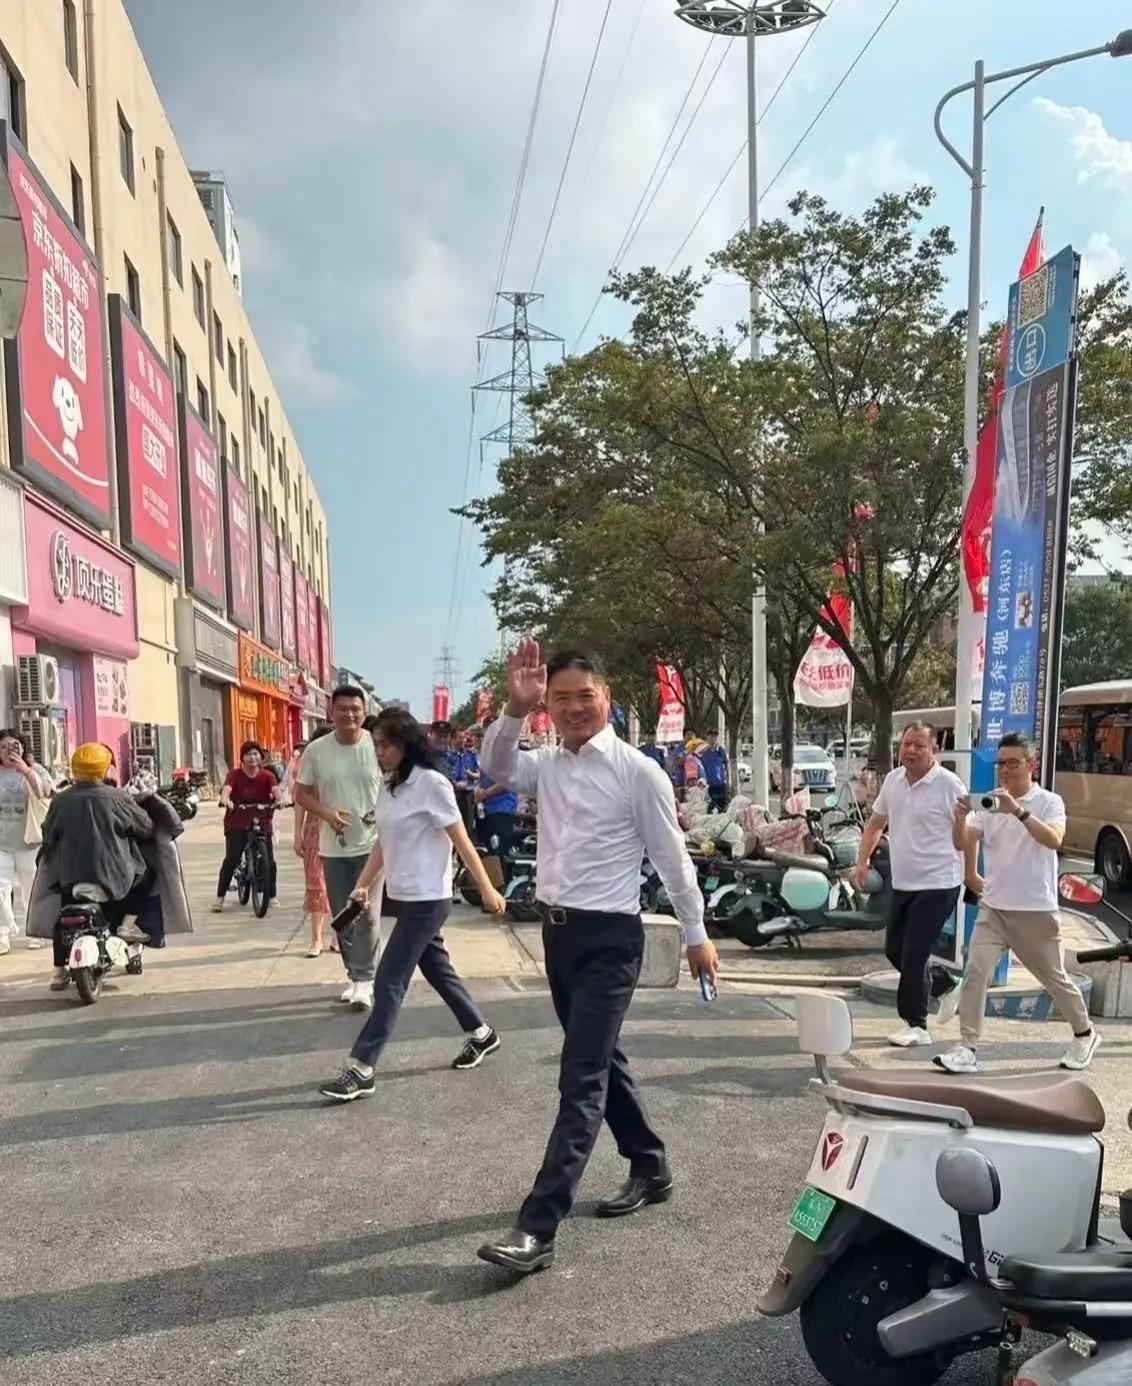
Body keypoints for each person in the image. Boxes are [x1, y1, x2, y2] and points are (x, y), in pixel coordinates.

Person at [476, 641, 719, 1275]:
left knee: (581, 1076)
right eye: (560, 699)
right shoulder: (547, 764)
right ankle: (651, 1165)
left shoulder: (639, 772)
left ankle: (538, 1228)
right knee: (603, 1058)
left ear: (606, 697)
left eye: (585, 696)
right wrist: (514, 708)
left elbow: (672, 859)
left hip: (612, 939)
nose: (574, 708)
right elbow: (495, 765)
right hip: (558, 937)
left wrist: (696, 933)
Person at [318, 708, 507, 1102]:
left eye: (386, 745)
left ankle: (362, 1067)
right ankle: (482, 1034)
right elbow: (383, 843)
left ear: (406, 745)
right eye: (376, 745)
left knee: (389, 980)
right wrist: (362, 884)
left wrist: (487, 889)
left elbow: (461, 840)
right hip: (404, 896)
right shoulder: (389, 785)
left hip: (429, 899)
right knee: (438, 970)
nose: (379, 752)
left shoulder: (432, 784)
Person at [935, 734, 1100, 1074]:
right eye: (1001, 764)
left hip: (1035, 911)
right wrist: (960, 820)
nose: (1005, 770)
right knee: (976, 971)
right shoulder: (990, 805)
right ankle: (967, 1047)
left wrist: (1018, 811)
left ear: (1032, 765)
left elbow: (1053, 839)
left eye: (1013, 763)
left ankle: (1085, 1034)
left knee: (1053, 979)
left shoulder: (1049, 801)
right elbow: (962, 842)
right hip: (994, 908)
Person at [854, 722, 977, 1048]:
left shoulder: (949, 785)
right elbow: (876, 823)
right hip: (904, 881)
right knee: (895, 949)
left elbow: (968, 835)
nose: (910, 750)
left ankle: (916, 1025)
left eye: (919, 745)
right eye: (906, 744)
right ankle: (945, 984)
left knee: (915, 952)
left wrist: (971, 875)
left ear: (934, 750)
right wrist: (862, 861)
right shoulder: (893, 781)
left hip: (939, 882)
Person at [33, 743, 155, 989]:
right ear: (105, 770)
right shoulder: (118, 797)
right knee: (148, 874)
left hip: (71, 876)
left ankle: (58, 972)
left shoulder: (61, 800)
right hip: (115, 877)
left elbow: (48, 833)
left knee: (64, 914)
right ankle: (127, 925)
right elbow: (145, 827)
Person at [295, 685, 381, 1008]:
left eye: (355, 709)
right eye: (342, 708)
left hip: (373, 846)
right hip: (333, 847)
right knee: (344, 915)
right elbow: (302, 794)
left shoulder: (377, 746)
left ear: (364, 712)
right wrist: (327, 813)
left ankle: (365, 979)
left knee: (366, 913)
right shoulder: (316, 751)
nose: (349, 714)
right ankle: (355, 976)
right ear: (330, 711)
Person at [213, 741, 282, 912]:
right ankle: (220, 898)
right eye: (248, 754)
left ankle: (271, 896)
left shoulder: (268, 776)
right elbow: (227, 789)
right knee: (232, 859)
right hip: (237, 821)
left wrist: (281, 800)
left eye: (256, 754)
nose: (252, 758)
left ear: (261, 757)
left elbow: (276, 791)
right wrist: (226, 800)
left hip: (262, 819)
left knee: (269, 860)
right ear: (242, 758)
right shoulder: (234, 775)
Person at [0, 728, 51, 956]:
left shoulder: (35, 769)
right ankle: (2, 934)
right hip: (2, 842)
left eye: (14, 746)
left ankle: (36, 932)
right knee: (1, 888)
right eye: (3, 747)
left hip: (28, 841)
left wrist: (24, 769)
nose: (8, 751)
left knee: (31, 889)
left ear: (22, 747)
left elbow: (44, 792)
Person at [292, 726, 334, 957]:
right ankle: (316, 938)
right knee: (316, 883)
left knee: (341, 884)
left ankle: (338, 936)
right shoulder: (308, 767)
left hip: (342, 829)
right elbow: (300, 802)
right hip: (315, 830)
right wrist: (297, 834)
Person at [700, 731, 729, 812]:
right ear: (707, 739)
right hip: (709, 786)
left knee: (723, 809)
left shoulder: (721, 751)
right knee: (710, 809)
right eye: (710, 738)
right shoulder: (703, 753)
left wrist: (728, 780)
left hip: (721, 785)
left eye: (714, 738)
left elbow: (726, 765)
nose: (713, 740)